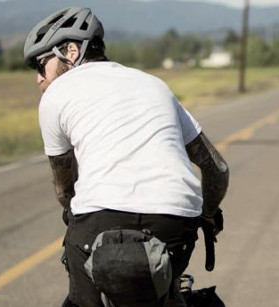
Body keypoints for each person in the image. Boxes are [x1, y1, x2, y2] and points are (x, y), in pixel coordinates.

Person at [23, 7, 229, 307]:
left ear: (71, 50)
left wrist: (73, 215)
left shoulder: (55, 95)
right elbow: (217, 169)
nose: (39, 78)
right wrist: (208, 215)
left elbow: (65, 190)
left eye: (42, 65)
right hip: (174, 223)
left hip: (99, 221)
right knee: (166, 293)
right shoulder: (154, 84)